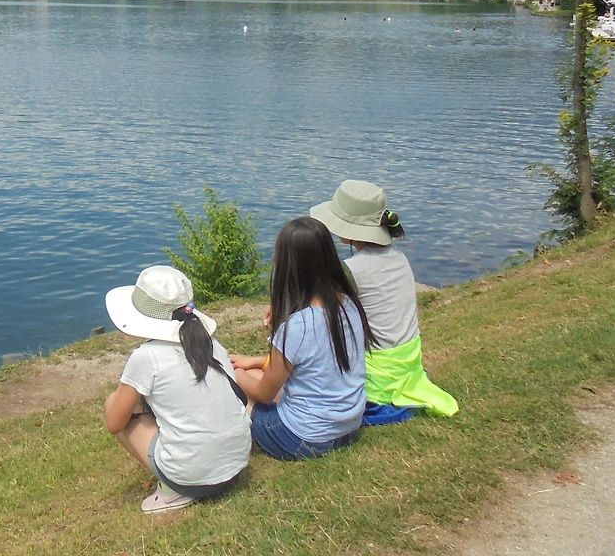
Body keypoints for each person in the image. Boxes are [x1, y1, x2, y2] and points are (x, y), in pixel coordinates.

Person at [103, 265, 251, 513]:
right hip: (235, 467)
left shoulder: (146, 357)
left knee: (113, 404)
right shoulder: (210, 343)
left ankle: (173, 491)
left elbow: (114, 423)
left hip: (193, 479)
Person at [310, 180, 458, 420]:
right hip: (408, 365)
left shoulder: (352, 270)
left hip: (379, 377)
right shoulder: (399, 258)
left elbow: (316, 313)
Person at [230, 216, 375, 460]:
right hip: (349, 426)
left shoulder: (297, 327)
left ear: (289, 266)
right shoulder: (349, 305)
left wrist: (232, 373)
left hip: (303, 438)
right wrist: (254, 363)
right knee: (255, 376)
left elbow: (264, 394)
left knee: (234, 391)